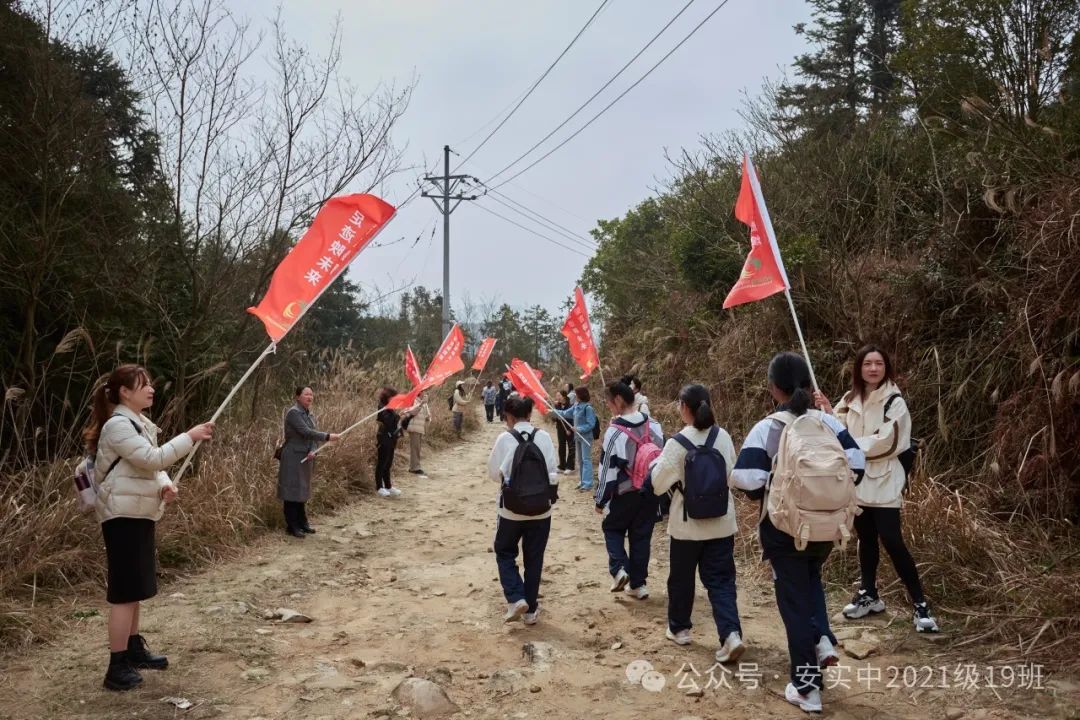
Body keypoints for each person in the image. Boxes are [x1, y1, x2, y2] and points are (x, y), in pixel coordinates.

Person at [732, 352, 865, 713]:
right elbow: (857, 464)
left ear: (774, 388)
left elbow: (746, 479)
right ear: (808, 384)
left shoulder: (768, 428)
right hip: (827, 526)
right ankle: (821, 639)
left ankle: (807, 688)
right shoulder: (828, 422)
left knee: (792, 601)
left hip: (784, 529)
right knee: (810, 583)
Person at [83, 364, 215, 691]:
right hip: (121, 515)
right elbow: (151, 458)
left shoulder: (139, 423)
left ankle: (132, 650)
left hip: (138, 511)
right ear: (125, 392)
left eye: (151, 384)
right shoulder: (118, 425)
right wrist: (190, 436)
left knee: (136, 590)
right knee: (124, 593)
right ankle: (116, 667)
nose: (151, 389)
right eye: (143, 384)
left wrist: (164, 486)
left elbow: (149, 470)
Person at [814, 345, 939, 633]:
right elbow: (837, 429)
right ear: (859, 368)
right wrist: (830, 412)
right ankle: (869, 594)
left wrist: (852, 446)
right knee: (865, 537)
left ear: (886, 368)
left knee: (892, 540)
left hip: (883, 480)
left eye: (878, 364)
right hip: (856, 479)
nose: (873, 368)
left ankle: (920, 605)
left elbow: (890, 441)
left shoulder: (894, 401)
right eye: (867, 363)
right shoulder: (849, 398)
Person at [650, 384, 747, 664]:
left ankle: (680, 629)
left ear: (684, 407)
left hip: (686, 527)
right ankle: (730, 635)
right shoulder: (723, 437)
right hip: (721, 523)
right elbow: (733, 475)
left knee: (681, 579)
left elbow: (657, 486)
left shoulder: (677, 443)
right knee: (721, 581)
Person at [487, 395, 559, 625]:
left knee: (505, 552)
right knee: (534, 558)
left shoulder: (504, 438)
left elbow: (492, 473)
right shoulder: (545, 437)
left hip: (510, 510)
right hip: (541, 510)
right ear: (530, 414)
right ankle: (530, 611)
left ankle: (516, 597)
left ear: (508, 416)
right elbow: (552, 471)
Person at [594, 382, 663, 599]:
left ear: (618, 400)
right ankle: (638, 584)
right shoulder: (655, 425)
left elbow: (608, 471)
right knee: (641, 537)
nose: (608, 406)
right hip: (651, 492)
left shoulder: (615, 432)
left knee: (612, 529)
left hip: (624, 495)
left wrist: (600, 500)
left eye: (608, 402)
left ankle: (619, 570)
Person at [278, 386, 341, 538]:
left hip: (306, 456)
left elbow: (311, 436)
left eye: (311, 394)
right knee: (291, 490)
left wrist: (314, 449)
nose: (310, 397)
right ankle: (292, 525)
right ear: (297, 396)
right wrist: (327, 436)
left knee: (302, 490)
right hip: (293, 456)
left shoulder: (310, 414)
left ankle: (303, 523)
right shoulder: (293, 413)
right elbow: (305, 431)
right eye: (306, 394)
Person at [552, 386, 598, 490]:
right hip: (577, 437)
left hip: (585, 437)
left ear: (581, 395)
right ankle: (582, 481)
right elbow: (566, 413)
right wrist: (554, 411)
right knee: (580, 460)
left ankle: (588, 483)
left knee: (586, 459)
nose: (575, 396)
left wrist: (579, 429)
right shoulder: (576, 406)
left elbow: (591, 424)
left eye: (576, 394)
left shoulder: (588, 408)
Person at [375, 387, 407, 497]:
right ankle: (379, 487)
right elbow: (387, 421)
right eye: (392, 397)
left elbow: (393, 421)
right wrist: (398, 416)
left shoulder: (391, 408)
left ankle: (388, 486)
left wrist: (399, 415)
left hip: (391, 438)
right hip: (383, 438)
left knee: (388, 463)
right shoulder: (382, 407)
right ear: (387, 397)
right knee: (381, 463)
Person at [406, 391, 432, 476]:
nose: (424, 394)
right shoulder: (414, 400)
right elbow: (412, 412)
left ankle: (415, 466)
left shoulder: (423, 403)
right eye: (423, 392)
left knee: (417, 448)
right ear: (419, 393)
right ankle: (414, 468)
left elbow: (426, 415)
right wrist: (421, 403)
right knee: (415, 448)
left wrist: (428, 416)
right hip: (414, 427)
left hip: (420, 428)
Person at [552, 390, 576, 475]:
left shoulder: (570, 405)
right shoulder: (557, 406)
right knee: (561, 447)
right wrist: (555, 416)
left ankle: (570, 467)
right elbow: (553, 419)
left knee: (571, 447)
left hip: (569, 429)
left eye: (559, 395)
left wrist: (570, 429)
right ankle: (562, 465)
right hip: (560, 429)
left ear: (564, 396)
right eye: (556, 396)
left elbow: (573, 418)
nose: (557, 397)